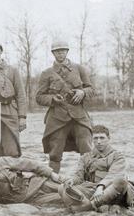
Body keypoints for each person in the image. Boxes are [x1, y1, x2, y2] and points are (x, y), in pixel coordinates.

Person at [36, 40, 95, 173]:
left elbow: (91, 89)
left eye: (63, 50)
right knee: (55, 152)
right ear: (53, 53)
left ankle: (91, 180)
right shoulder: (47, 73)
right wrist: (52, 99)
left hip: (79, 116)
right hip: (57, 117)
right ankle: (53, 182)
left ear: (67, 51)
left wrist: (82, 92)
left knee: (87, 149)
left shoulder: (79, 69)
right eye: (57, 51)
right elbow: (39, 97)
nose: (60, 53)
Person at [59, 125, 134, 212]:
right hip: (92, 191)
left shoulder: (117, 156)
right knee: (62, 187)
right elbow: (79, 176)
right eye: (95, 138)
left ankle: (89, 206)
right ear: (91, 139)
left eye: (102, 138)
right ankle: (95, 205)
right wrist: (73, 181)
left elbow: (113, 175)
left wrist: (100, 187)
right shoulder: (85, 157)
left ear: (108, 138)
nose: (98, 142)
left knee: (121, 181)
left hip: (112, 191)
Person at [0, 148, 64, 206]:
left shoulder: (2, 162)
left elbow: (28, 164)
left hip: (35, 184)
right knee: (64, 199)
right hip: (26, 199)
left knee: (66, 188)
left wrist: (50, 173)